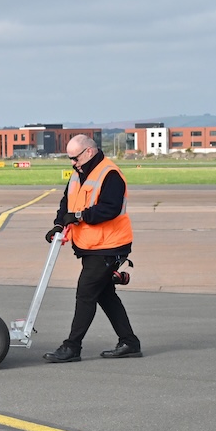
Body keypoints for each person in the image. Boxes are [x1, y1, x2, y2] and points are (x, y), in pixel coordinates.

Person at [42, 134, 142, 362]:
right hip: (90, 245)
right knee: (105, 295)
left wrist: (79, 216)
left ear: (89, 152)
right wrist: (59, 224)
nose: (72, 163)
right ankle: (129, 342)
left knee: (86, 292)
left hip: (110, 245)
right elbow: (66, 202)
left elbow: (110, 209)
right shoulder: (79, 174)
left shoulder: (110, 174)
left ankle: (72, 347)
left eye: (74, 158)